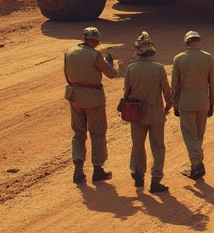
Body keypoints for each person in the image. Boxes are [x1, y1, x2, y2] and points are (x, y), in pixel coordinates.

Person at [63, 25, 120, 184]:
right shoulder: (95, 55)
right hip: (93, 99)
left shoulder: (69, 52)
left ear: (84, 38)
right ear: (97, 41)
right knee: (97, 133)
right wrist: (110, 63)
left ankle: (78, 170)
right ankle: (98, 169)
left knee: (78, 133)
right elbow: (112, 74)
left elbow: (67, 75)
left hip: (74, 96)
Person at [123, 31, 173, 193]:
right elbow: (166, 90)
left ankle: (138, 175)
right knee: (158, 148)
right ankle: (156, 179)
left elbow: (126, 93)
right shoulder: (158, 68)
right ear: (151, 50)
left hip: (137, 115)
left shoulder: (131, 68)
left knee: (138, 146)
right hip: (156, 115)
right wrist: (168, 106)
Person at [172, 30, 214, 180]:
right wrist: (212, 103)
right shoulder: (208, 58)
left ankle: (197, 163)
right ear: (198, 42)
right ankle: (195, 165)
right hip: (203, 101)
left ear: (186, 42)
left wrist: (175, 104)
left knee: (190, 135)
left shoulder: (179, 59)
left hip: (186, 102)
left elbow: (175, 85)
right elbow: (213, 84)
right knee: (199, 135)